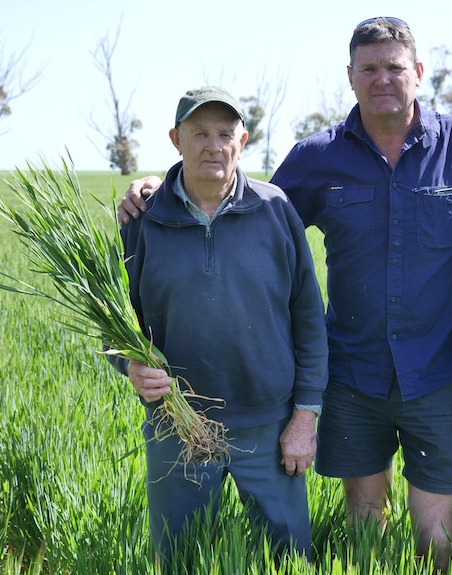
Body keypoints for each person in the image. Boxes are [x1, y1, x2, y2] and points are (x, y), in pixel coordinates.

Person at [117, 19, 452, 572]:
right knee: (366, 522)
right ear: (350, 76)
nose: (382, 79)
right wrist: (162, 187)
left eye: (394, 67)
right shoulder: (317, 157)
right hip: (353, 375)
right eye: (369, 68)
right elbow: (238, 203)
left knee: (436, 535)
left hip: (438, 374)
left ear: (417, 72)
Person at [108, 86, 328, 568]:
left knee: (289, 560)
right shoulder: (142, 221)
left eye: (225, 133)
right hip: (176, 428)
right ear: (176, 139)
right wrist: (129, 365)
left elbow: (310, 321)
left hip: (269, 428)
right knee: (180, 560)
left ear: (242, 140)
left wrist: (304, 418)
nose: (214, 144)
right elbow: (113, 325)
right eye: (199, 132)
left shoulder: (276, 211)